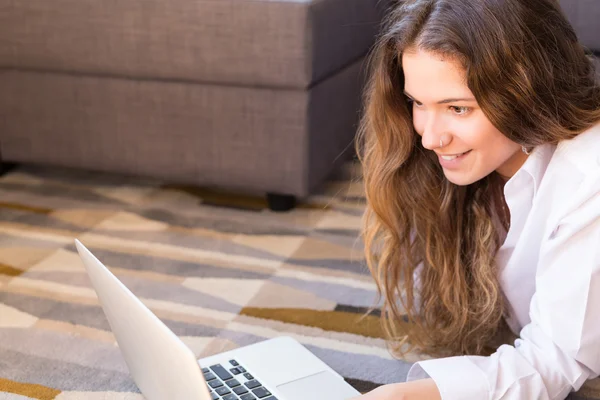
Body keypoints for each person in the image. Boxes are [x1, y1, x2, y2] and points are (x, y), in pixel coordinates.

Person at [351, 0, 600, 399]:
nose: (430, 138)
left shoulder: (590, 179)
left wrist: (402, 396)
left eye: (457, 108)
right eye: (417, 102)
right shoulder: (473, 167)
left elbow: (554, 361)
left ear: (526, 90)